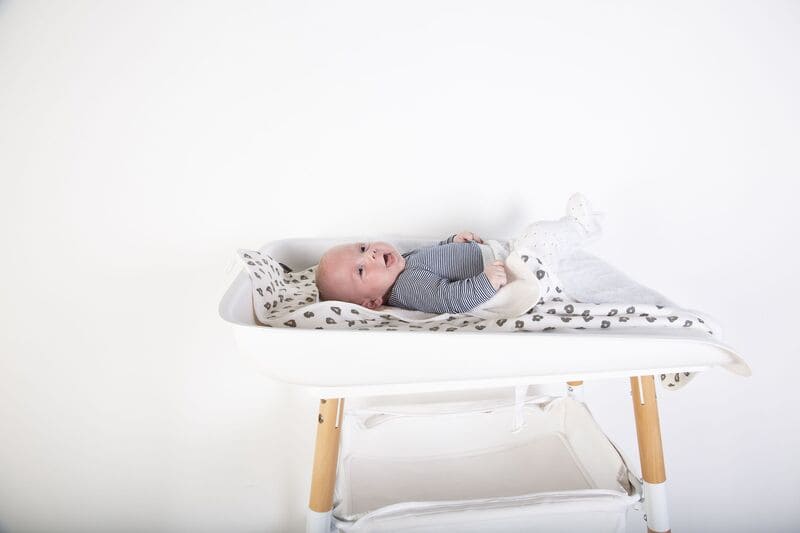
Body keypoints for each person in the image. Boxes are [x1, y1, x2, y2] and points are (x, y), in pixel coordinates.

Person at [314, 194, 600, 314]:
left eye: (363, 248)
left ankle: (571, 236)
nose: (371, 254)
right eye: (361, 270)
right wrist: (485, 283)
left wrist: (453, 241)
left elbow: (435, 257)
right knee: (536, 236)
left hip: (497, 255)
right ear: (374, 302)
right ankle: (579, 228)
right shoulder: (408, 288)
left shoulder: (401, 265)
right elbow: (449, 299)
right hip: (507, 272)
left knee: (533, 241)